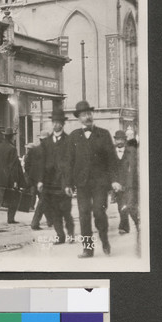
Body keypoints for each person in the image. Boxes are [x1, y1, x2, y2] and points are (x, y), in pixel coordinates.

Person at [65, 101, 121, 258]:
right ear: (79, 118)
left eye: (89, 114)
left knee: (98, 212)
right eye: (83, 115)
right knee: (83, 214)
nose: (87, 117)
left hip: (100, 183)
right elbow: (69, 162)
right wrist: (68, 183)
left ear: (92, 115)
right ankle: (88, 249)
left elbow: (112, 160)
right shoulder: (74, 136)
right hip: (82, 184)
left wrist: (114, 180)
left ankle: (104, 239)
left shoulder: (103, 134)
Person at [37, 109, 75, 244]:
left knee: (66, 211)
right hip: (49, 182)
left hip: (64, 182)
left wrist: (70, 183)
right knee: (54, 211)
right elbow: (41, 163)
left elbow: (71, 163)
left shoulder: (69, 140)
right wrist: (40, 180)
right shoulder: (46, 142)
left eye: (58, 122)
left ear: (62, 124)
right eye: (54, 122)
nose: (55, 125)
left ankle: (70, 233)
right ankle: (60, 236)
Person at [0, 127, 26, 224]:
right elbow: (14, 166)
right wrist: (16, 180)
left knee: (2, 194)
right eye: (14, 136)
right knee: (14, 196)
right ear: (12, 137)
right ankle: (5, 215)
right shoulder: (12, 149)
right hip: (8, 177)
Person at [111, 130, 139, 234]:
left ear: (125, 140)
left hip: (130, 183)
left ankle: (138, 223)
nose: (119, 141)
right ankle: (124, 226)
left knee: (131, 205)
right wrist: (113, 182)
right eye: (117, 139)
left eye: (121, 139)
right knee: (121, 206)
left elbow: (135, 167)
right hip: (118, 184)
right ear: (115, 140)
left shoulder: (131, 151)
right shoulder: (112, 152)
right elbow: (110, 168)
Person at [28, 131, 53, 230]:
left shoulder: (34, 150)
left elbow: (27, 165)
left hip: (35, 180)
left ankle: (51, 220)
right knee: (43, 200)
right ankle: (35, 223)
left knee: (45, 199)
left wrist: (33, 177)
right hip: (45, 180)